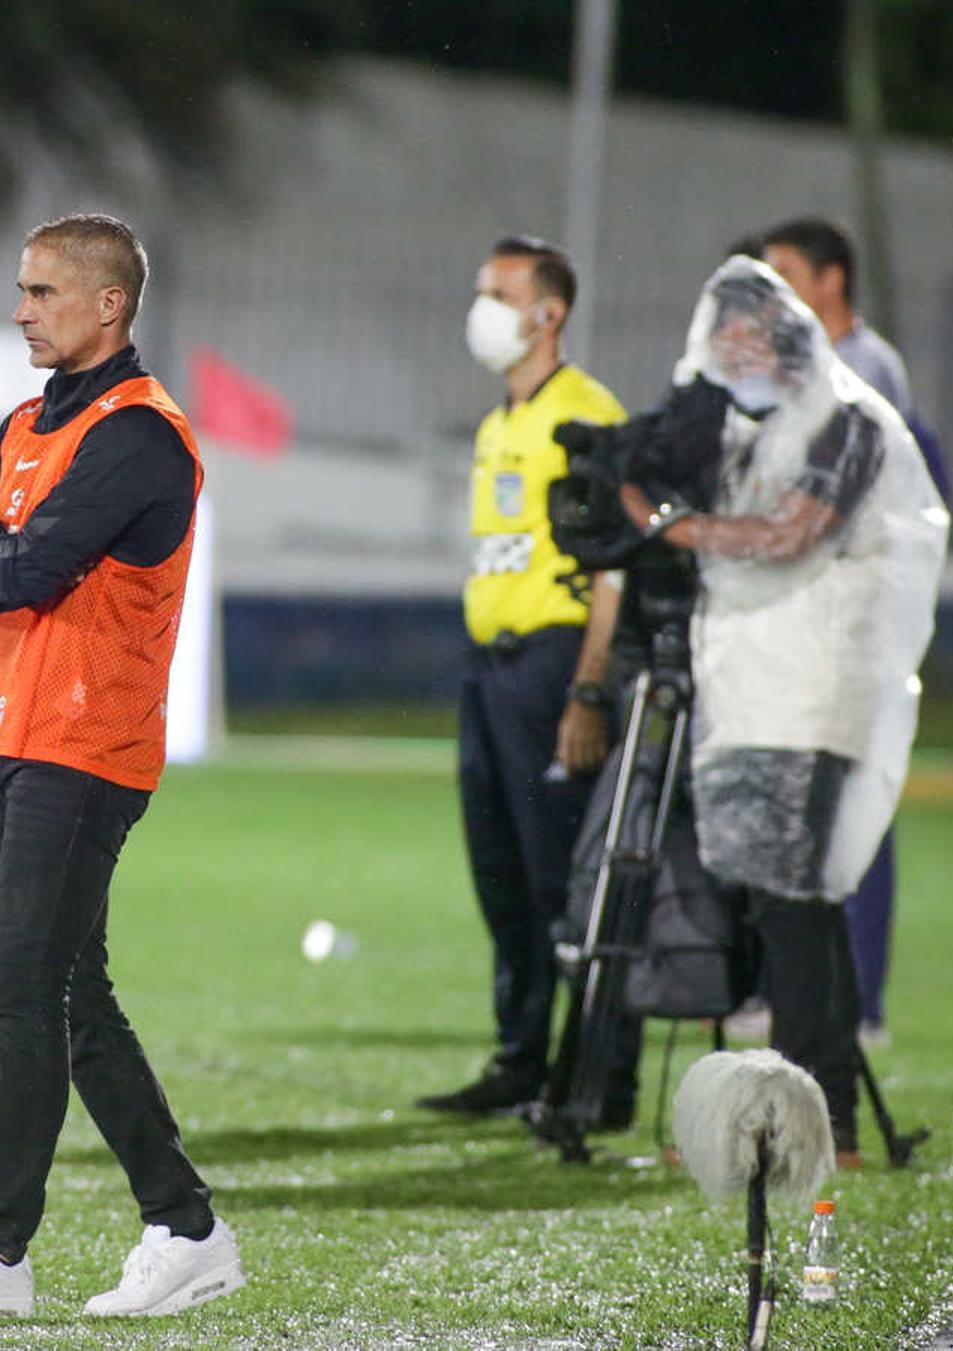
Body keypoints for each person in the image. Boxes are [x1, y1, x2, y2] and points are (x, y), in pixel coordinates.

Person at [0, 214, 243, 1319]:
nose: (22, 309)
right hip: (13, 734)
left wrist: (6, 560)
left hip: (88, 747)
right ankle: (187, 1228)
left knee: (22, 984)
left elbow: (26, 564)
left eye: (41, 292)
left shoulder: (140, 436)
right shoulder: (30, 422)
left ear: (108, 306)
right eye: (22, 290)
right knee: (75, 994)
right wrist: (5, 561)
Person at [618, 256, 948, 1162]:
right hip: (753, 691)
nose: (730, 350)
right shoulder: (748, 432)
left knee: (791, 906)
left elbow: (785, 535)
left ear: (790, 337)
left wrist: (659, 520)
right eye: (718, 333)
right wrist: (633, 480)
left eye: (747, 332)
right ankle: (781, 1115)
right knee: (773, 908)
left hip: (814, 695)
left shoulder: (847, 423)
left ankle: (819, 1120)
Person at [417, 236, 631, 1123]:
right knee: (500, 871)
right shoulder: (498, 421)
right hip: (490, 666)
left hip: (552, 665)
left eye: (498, 294)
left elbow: (614, 566)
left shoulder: (587, 413)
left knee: (560, 876)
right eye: (481, 292)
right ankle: (520, 1056)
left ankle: (588, 1074)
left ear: (550, 314)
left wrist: (588, 688)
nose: (484, 310)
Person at [760, 217, 946, 1047]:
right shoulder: (800, 371)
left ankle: (859, 1005)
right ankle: (796, 995)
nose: (773, 293)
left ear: (831, 279)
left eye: (785, 273)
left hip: (852, 624)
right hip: (801, 621)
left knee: (857, 805)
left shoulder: (866, 369)